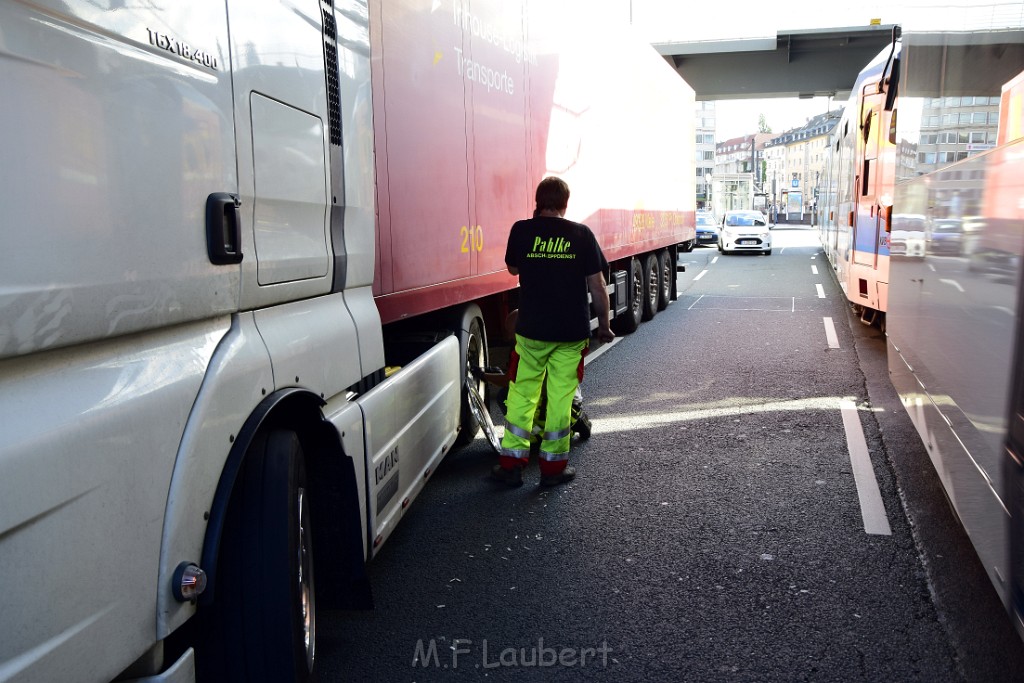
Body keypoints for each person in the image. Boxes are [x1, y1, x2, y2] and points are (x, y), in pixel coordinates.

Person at [491, 176, 614, 487]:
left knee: (522, 396)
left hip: (531, 331)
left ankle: (511, 467)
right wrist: (605, 325)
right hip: (570, 334)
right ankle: (552, 470)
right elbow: (597, 286)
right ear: (565, 204)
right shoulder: (581, 234)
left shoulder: (521, 230)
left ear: (538, 202)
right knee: (560, 398)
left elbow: (514, 269)